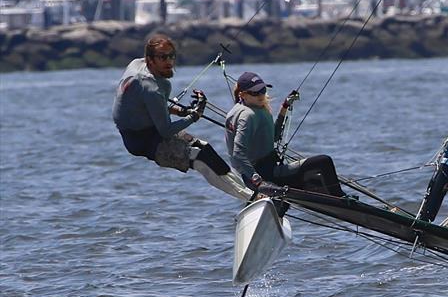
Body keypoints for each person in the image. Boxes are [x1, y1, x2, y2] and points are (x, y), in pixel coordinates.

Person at [112, 34, 250, 200]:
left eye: (171, 56)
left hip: (150, 127)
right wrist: (194, 117)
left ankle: (247, 190)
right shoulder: (152, 88)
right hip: (142, 142)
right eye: (163, 57)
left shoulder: (137, 63)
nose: (169, 62)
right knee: (199, 157)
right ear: (150, 59)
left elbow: (146, 107)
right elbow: (166, 131)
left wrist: (182, 112)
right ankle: (249, 198)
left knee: (205, 148)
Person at [225, 71, 346, 197]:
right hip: (266, 174)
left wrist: (284, 107)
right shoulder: (247, 115)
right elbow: (238, 154)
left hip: (266, 170)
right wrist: (256, 179)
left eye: (263, 90)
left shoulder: (250, 109)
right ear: (243, 94)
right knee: (323, 161)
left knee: (314, 178)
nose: (261, 94)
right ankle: (342, 199)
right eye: (255, 92)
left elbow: (274, 137)